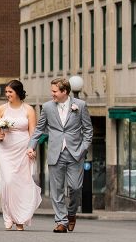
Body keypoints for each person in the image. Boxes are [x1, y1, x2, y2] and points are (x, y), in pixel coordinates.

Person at [27, 77, 93, 233]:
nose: (52, 94)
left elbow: (88, 130)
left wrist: (83, 148)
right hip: (55, 153)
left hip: (75, 153)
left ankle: (71, 214)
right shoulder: (48, 107)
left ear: (65, 91)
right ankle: (61, 221)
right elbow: (39, 129)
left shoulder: (80, 105)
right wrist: (31, 146)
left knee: (76, 187)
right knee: (57, 189)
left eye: (55, 91)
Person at [0, 80, 41, 231]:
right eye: (6, 92)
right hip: (6, 150)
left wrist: (32, 148)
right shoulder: (1, 109)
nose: (7, 95)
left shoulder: (29, 110)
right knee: (8, 182)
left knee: (21, 184)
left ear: (18, 93)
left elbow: (33, 132)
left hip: (22, 150)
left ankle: (20, 219)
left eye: (10, 92)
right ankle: (8, 216)